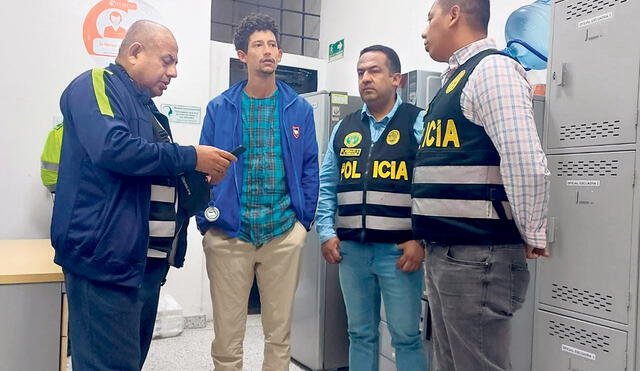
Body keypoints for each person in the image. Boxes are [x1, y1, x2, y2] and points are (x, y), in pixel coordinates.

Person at [51, 20, 236, 371]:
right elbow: (112, 147)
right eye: (167, 60)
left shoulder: (151, 112)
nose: (174, 72)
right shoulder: (94, 85)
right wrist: (191, 155)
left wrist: (198, 176)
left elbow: (154, 175)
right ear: (135, 52)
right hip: (104, 264)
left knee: (128, 363)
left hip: (143, 267)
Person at [412, 1, 550, 370]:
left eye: (430, 18)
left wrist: (533, 231)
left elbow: (525, 160)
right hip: (449, 252)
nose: (425, 31)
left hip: (477, 256)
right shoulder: (454, 81)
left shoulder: (493, 70)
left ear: (454, 14)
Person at [196, 13, 319, 371]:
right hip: (230, 234)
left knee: (278, 336)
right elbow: (203, 168)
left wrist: (303, 225)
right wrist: (208, 221)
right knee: (227, 338)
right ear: (242, 56)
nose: (267, 51)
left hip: (283, 233)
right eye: (258, 45)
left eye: (272, 45)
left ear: (279, 54)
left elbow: (310, 167)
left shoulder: (299, 109)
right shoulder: (221, 108)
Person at [316, 45, 428, 371]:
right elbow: (327, 185)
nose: (366, 78)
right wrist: (326, 231)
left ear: (397, 78)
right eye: (361, 72)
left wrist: (419, 239)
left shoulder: (417, 122)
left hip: (399, 252)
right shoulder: (345, 127)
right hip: (352, 250)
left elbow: (431, 184)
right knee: (359, 333)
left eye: (374, 71)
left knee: (405, 336)